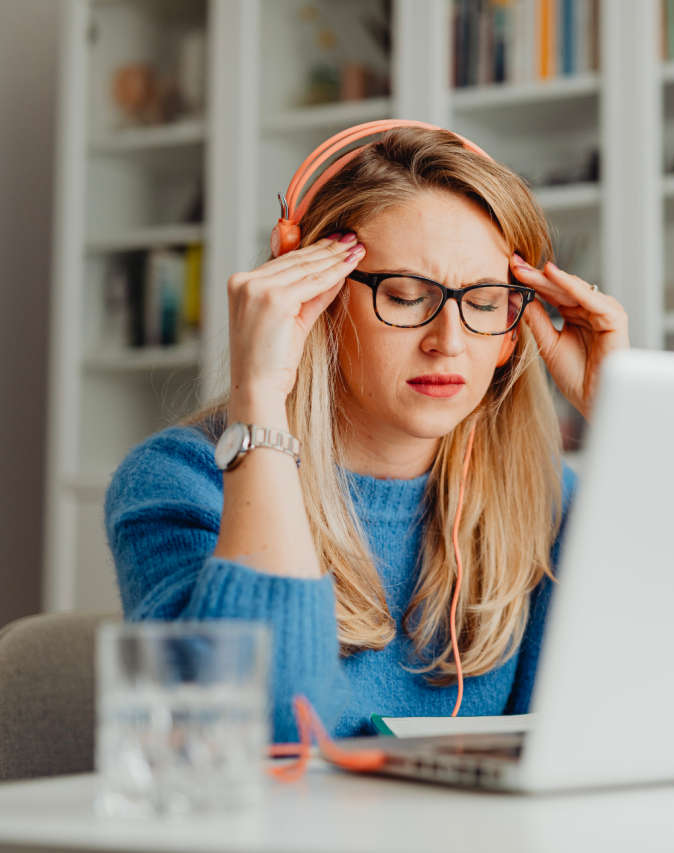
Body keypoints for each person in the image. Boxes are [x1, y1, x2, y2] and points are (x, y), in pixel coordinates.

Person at [104, 127, 629, 741]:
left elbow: (619, 721)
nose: (449, 342)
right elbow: (266, 735)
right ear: (314, 298)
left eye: (485, 303)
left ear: (516, 327)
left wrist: (627, 423)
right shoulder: (180, 483)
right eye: (406, 297)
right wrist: (261, 403)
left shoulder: (546, 499)